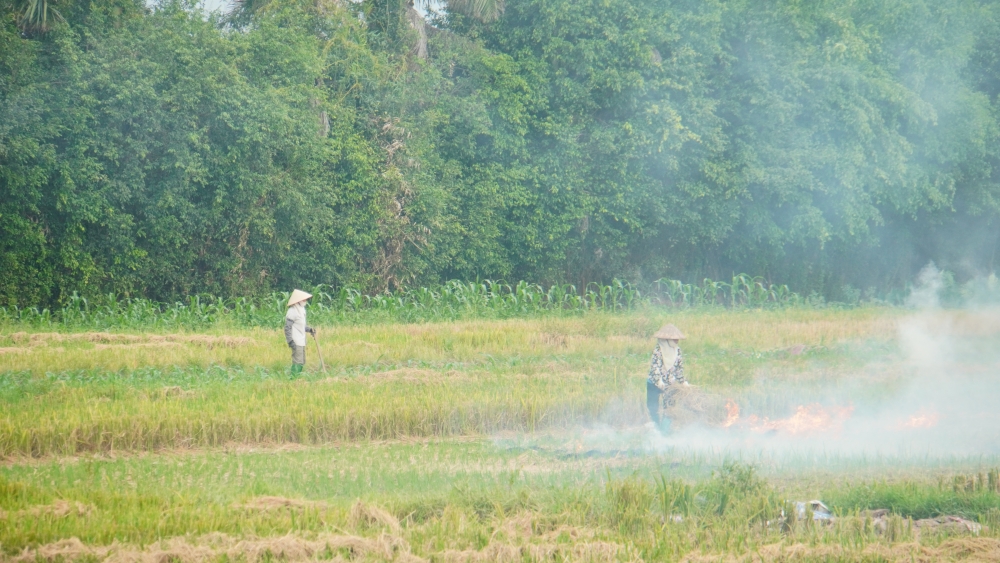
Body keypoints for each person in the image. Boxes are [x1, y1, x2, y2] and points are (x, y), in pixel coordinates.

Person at [646, 323, 688, 430]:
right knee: (653, 407)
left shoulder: (677, 351)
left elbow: (679, 368)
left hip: (670, 384)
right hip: (654, 383)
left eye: (677, 339)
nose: (677, 341)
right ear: (667, 339)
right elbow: (655, 367)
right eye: (674, 339)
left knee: (669, 408)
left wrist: (683, 381)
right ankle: (656, 429)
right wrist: (659, 381)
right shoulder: (658, 350)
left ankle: (664, 431)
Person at [284, 289, 316, 375]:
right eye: (304, 300)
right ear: (298, 301)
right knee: (297, 362)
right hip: (296, 341)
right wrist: (290, 341)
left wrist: (309, 329)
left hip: (301, 340)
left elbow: (301, 326)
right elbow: (287, 328)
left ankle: (297, 379)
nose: (305, 301)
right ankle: (293, 379)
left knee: (302, 361)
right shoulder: (292, 311)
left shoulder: (301, 310)